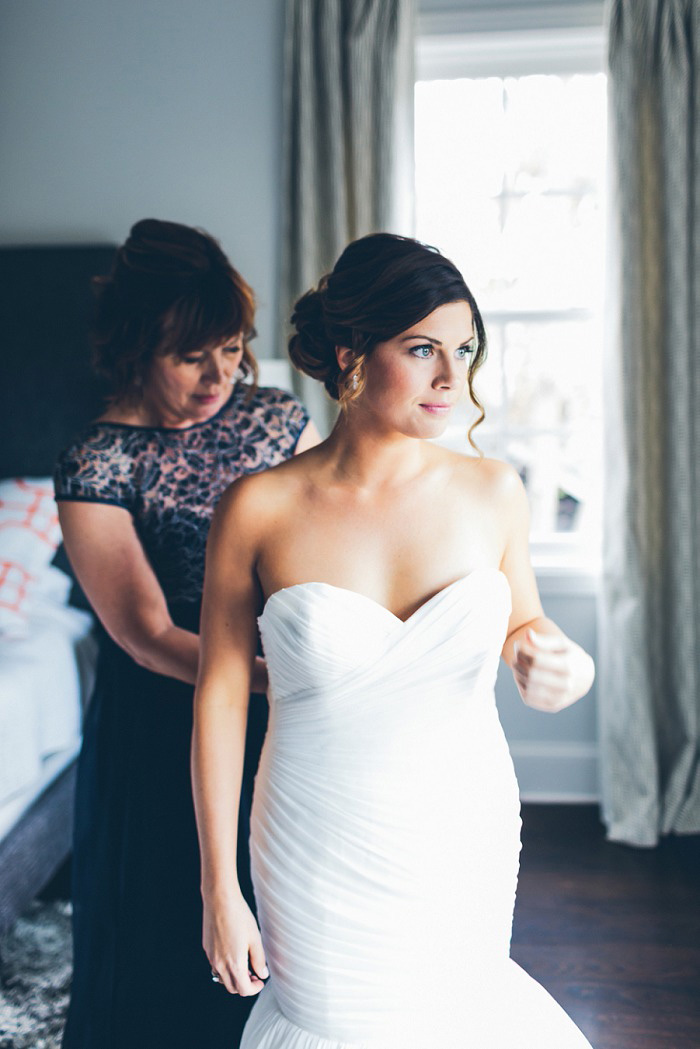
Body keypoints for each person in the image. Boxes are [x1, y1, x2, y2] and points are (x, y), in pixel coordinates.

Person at [191, 232, 596, 1048]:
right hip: (314, 836)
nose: (454, 378)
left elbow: (527, 623)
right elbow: (222, 694)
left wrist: (559, 662)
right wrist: (219, 888)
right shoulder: (258, 508)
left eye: (465, 349)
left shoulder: (492, 491)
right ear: (350, 352)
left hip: (463, 824)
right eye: (423, 349)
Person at [54, 217, 319, 1049]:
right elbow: (145, 633)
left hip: (280, 705)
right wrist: (274, 678)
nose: (220, 376)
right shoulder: (98, 459)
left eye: (233, 348)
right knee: (164, 922)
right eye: (191, 355)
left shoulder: (278, 421)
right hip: (161, 716)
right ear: (138, 348)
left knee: (279, 910)